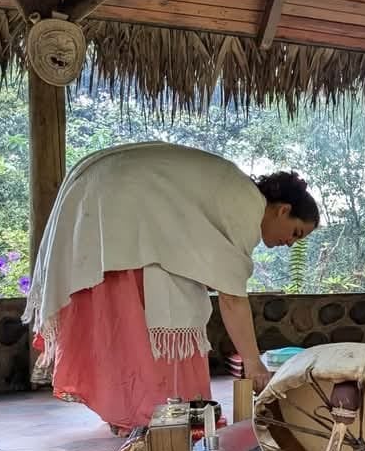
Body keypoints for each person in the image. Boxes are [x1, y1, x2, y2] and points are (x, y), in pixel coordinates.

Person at [23, 141, 318, 435]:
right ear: (283, 210)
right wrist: (254, 366)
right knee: (136, 312)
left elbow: (203, 265)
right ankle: (145, 412)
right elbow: (231, 297)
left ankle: (135, 411)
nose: (290, 243)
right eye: (296, 232)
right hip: (112, 200)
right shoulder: (247, 205)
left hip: (103, 192)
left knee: (153, 306)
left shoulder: (237, 194)